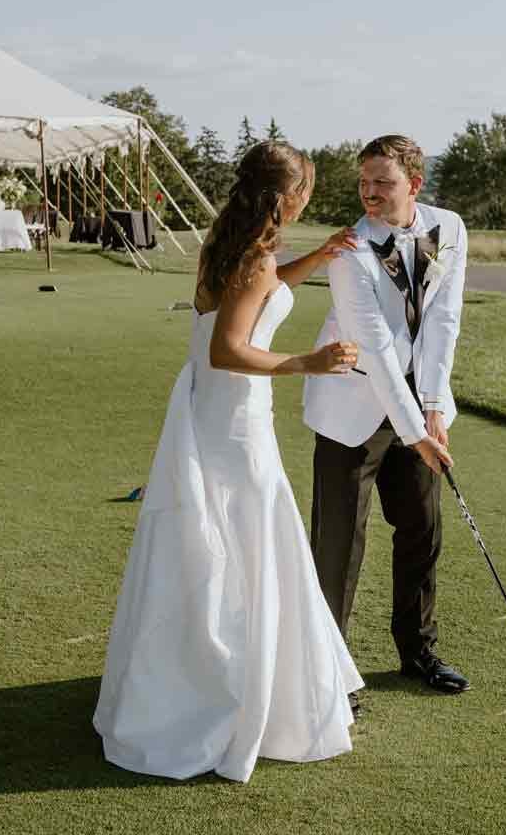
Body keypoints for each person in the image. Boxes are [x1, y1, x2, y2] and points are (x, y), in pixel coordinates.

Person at [94, 141, 363, 783]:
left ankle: (210, 673)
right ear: (286, 198)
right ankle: (231, 692)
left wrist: (317, 260)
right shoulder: (249, 258)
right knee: (244, 533)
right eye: (305, 191)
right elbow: (227, 348)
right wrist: (307, 362)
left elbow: (262, 293)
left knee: (230, 531)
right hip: (233, 416)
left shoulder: (237, 250)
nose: (307, 201)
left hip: (216, 412)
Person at [303, 134, 468, 711]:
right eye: (363, 183)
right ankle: (331, 671)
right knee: (339, 545)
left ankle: (418, 651)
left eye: (383, 183)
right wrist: (414, 431)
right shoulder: (349, 250)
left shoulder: (450, 227)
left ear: (414, 186)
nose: (369, 194)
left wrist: (432, 409)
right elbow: (372, 344)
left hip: (418, 405)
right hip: (352, 407)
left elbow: (443, 320)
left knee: (423, 530)